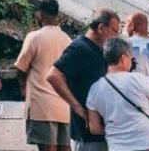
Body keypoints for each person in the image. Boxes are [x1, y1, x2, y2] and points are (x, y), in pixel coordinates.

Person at [85, 37, 149, 151]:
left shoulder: (95, 89)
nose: (132, 60)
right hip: (148, 144)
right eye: (130, 57)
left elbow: (94, 128)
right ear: (123, 58)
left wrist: (118, 130)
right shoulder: (137, 79)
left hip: (117, 146)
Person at [48, 8, 121, 151]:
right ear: (101, 28)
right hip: (89, 134)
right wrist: (77, 108)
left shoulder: (101, 50)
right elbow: (53, 75)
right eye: (114, 31)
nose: (116, 37)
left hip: (105, 131)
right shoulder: (79, 48)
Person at [15, 0, 72, 151]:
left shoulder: (34, 37)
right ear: (57, 15)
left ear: (40, 15)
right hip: (63, 106)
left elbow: (21, 68)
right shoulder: (67, 39)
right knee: (65, 147)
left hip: (41, 106)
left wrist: (23, 87)